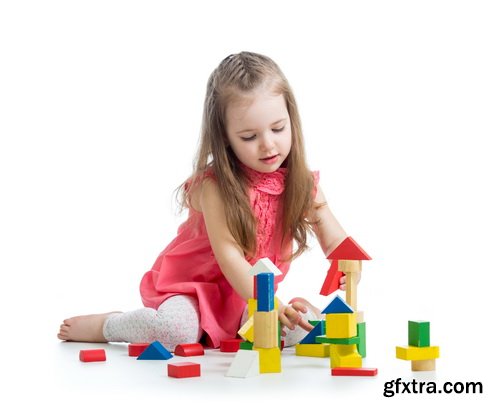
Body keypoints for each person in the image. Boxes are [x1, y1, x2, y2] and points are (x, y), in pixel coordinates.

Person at [58, 51, 353, 350]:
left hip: (246, 296)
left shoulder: (301, 183)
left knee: (292, 333)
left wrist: (346, 262)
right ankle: (109, 325)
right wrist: (268, 304)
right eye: (249, 136)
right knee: (176, 332)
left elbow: (332, 234)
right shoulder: (215, 188)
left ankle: (284, 312)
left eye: (278, 128)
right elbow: (230, 259)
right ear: (224, 137)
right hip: (193, 289)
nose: (268, 144)